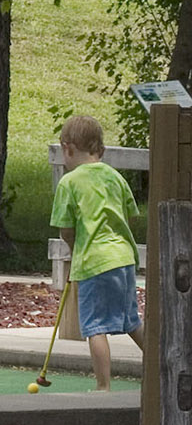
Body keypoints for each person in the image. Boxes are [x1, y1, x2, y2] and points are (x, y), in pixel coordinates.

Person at [50, 114, 143, 392]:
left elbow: (66, 229)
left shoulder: (70, 182)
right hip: (124, 259)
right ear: (100, 149)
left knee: (95, 327)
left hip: (94, 263)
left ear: (67, 148)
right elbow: (130, 215)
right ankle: (163, 372)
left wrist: (75, 248)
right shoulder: (115, 177)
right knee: (132, 321)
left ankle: (103, 386)